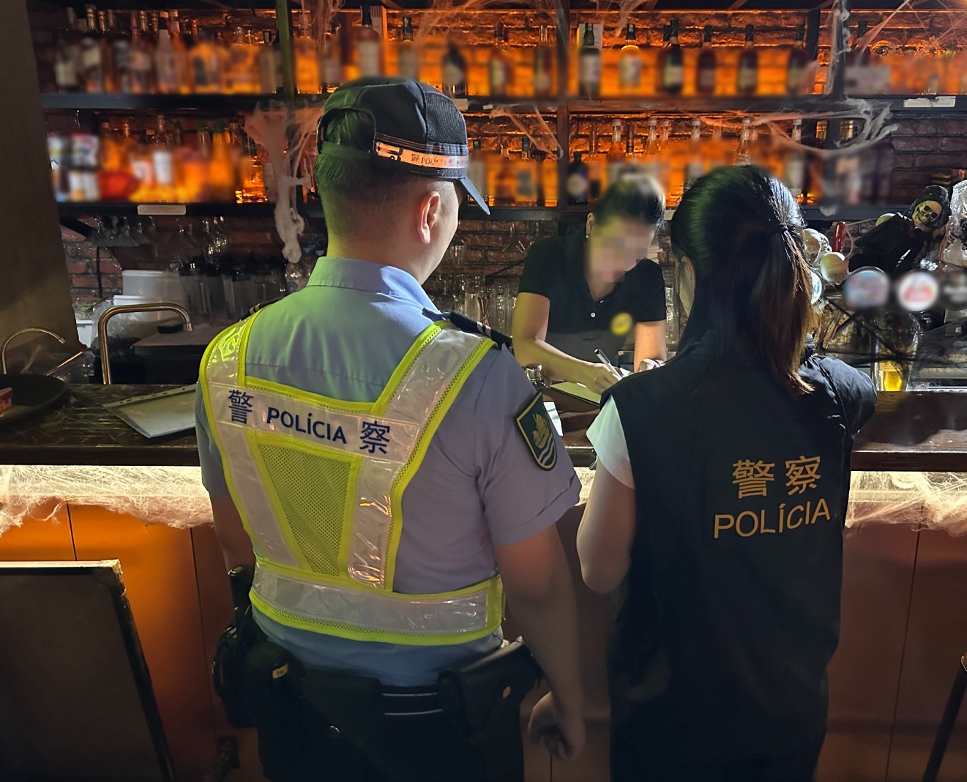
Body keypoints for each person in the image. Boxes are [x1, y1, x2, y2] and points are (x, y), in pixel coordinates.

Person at [195, 78, 585, 782]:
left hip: (291, 708)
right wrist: (572, 697)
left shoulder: (228, 358)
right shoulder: (477, 376)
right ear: (431, 209)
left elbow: (236, 540)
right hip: (437, 727)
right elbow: (537, 585)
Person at [577, 166, 876, 782]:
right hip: (790, 713)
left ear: (687, 272)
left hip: (673, 722)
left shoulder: (639, 410)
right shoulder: (843, 393)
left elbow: (598, 569)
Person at [512, 172, 669, 393]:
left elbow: (651, 360)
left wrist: (653, 368)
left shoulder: (647, 276)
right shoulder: (550, 257)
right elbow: (525, 346)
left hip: (601, 402)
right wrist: (586, 373)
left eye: (637, 252)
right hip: (540, 397)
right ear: (592, 225)